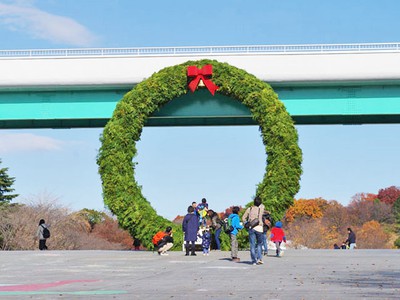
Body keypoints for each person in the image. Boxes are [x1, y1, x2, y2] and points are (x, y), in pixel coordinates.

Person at [242, 197, 265, 265]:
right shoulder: (261, 209)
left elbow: (243, 217)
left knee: (252, 245)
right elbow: (263, 206)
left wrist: (246, 223)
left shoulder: (250, 209)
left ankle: (253, 260)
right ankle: (259, 258)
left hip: (251, 228)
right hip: (259, 228)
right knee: (259, 244)